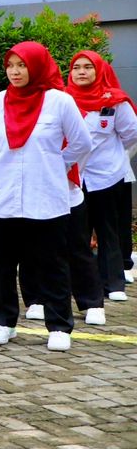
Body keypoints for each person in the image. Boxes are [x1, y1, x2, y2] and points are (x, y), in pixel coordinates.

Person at [0, 42, 92, 351]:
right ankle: (3, 322)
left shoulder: (59, 101)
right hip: (0, 196)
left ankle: (58, 325)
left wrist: (55, 163)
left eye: (22, 65)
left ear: (37, 66)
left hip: (46, 195)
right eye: (10, 65)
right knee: (1, 262)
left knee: (51, 261)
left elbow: (81, 142)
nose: (15, 71)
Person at [68, 51, 136, 302]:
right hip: (75, 177)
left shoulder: (116, 101)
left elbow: (131, 134)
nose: (82, 72)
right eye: (77, 67)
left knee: (108, 231)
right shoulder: (64, 99)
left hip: (107, 175)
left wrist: (114, 157)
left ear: (100, 71)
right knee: (77, 233)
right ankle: (82, 285)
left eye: (88, 67)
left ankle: (114, 283)